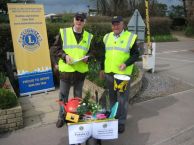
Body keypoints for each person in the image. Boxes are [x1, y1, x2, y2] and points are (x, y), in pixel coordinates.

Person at [51, 12, 94, 128]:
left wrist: (88, 58)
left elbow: (92, 52)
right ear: (73, 20)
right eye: (77, 19)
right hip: (66, 71)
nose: (79, 21)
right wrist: (65, 56)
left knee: (78, 96)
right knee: (63, 96)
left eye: (82, 20)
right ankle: (61, 117)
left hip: (80, 72)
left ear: (84, 22)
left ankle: (76, 117)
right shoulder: (64, 33)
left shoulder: (89, 36)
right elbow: (55, 49)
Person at [99, 16, 139, 133]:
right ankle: (113, 118)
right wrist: (101, 69)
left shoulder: (130, 37)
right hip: (109, 73)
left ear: (123, 24)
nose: (115, 26)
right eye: (113, 24)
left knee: (122, 99)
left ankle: (121, 122)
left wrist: (126, 64)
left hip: (123, 75)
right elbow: (103, 55)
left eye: (118, 24)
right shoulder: (107, 37)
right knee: (111, 97)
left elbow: (136, 54)